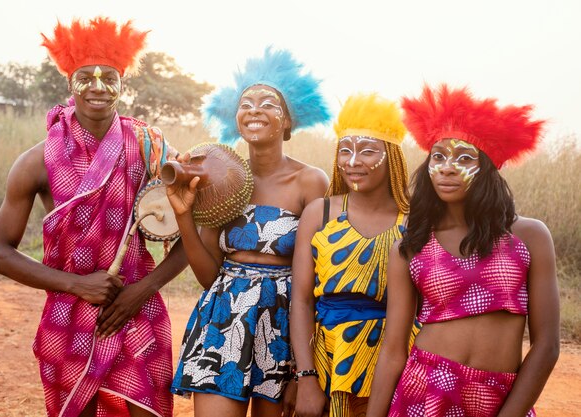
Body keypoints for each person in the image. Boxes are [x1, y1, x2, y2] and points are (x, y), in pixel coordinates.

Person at [0, 17, 187, 417]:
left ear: (122, 84)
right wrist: (77, 285)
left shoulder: (151, 148)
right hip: (69, 317)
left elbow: (192, 236)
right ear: (69, 84)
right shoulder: (36, 162)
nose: (97, 86)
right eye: (86, 76)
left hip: (137, 309)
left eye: (108, 76)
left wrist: (142, 289)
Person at [366, 85, 560, 417]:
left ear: (487, 167)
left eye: (464, 158)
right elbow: (394, 351)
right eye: (438, 157)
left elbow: (547, 346)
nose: (447, 167)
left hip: (499, 398)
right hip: (424, 390)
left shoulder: (529, 236)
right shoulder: (410, 246)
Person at [167, 47, 332, 417]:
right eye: (246, 103)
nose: (255, 109)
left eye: (268, 103)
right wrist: (184, 218)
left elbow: (318, 280)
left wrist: (303, 373)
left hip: (283, 326)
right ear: (236, 117)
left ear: (288, 122)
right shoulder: (219, 179)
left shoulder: (309, 181)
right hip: (224, 318)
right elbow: (209, 276)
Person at [290, 93, 421, 417]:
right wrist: (305, 378)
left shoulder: (416, 219)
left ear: (391, 156)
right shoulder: (319, 214)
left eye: (367, 151)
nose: (352, 161)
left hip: (399, 359)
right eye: (345, 150)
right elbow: (302, 300)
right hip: (330, 359)